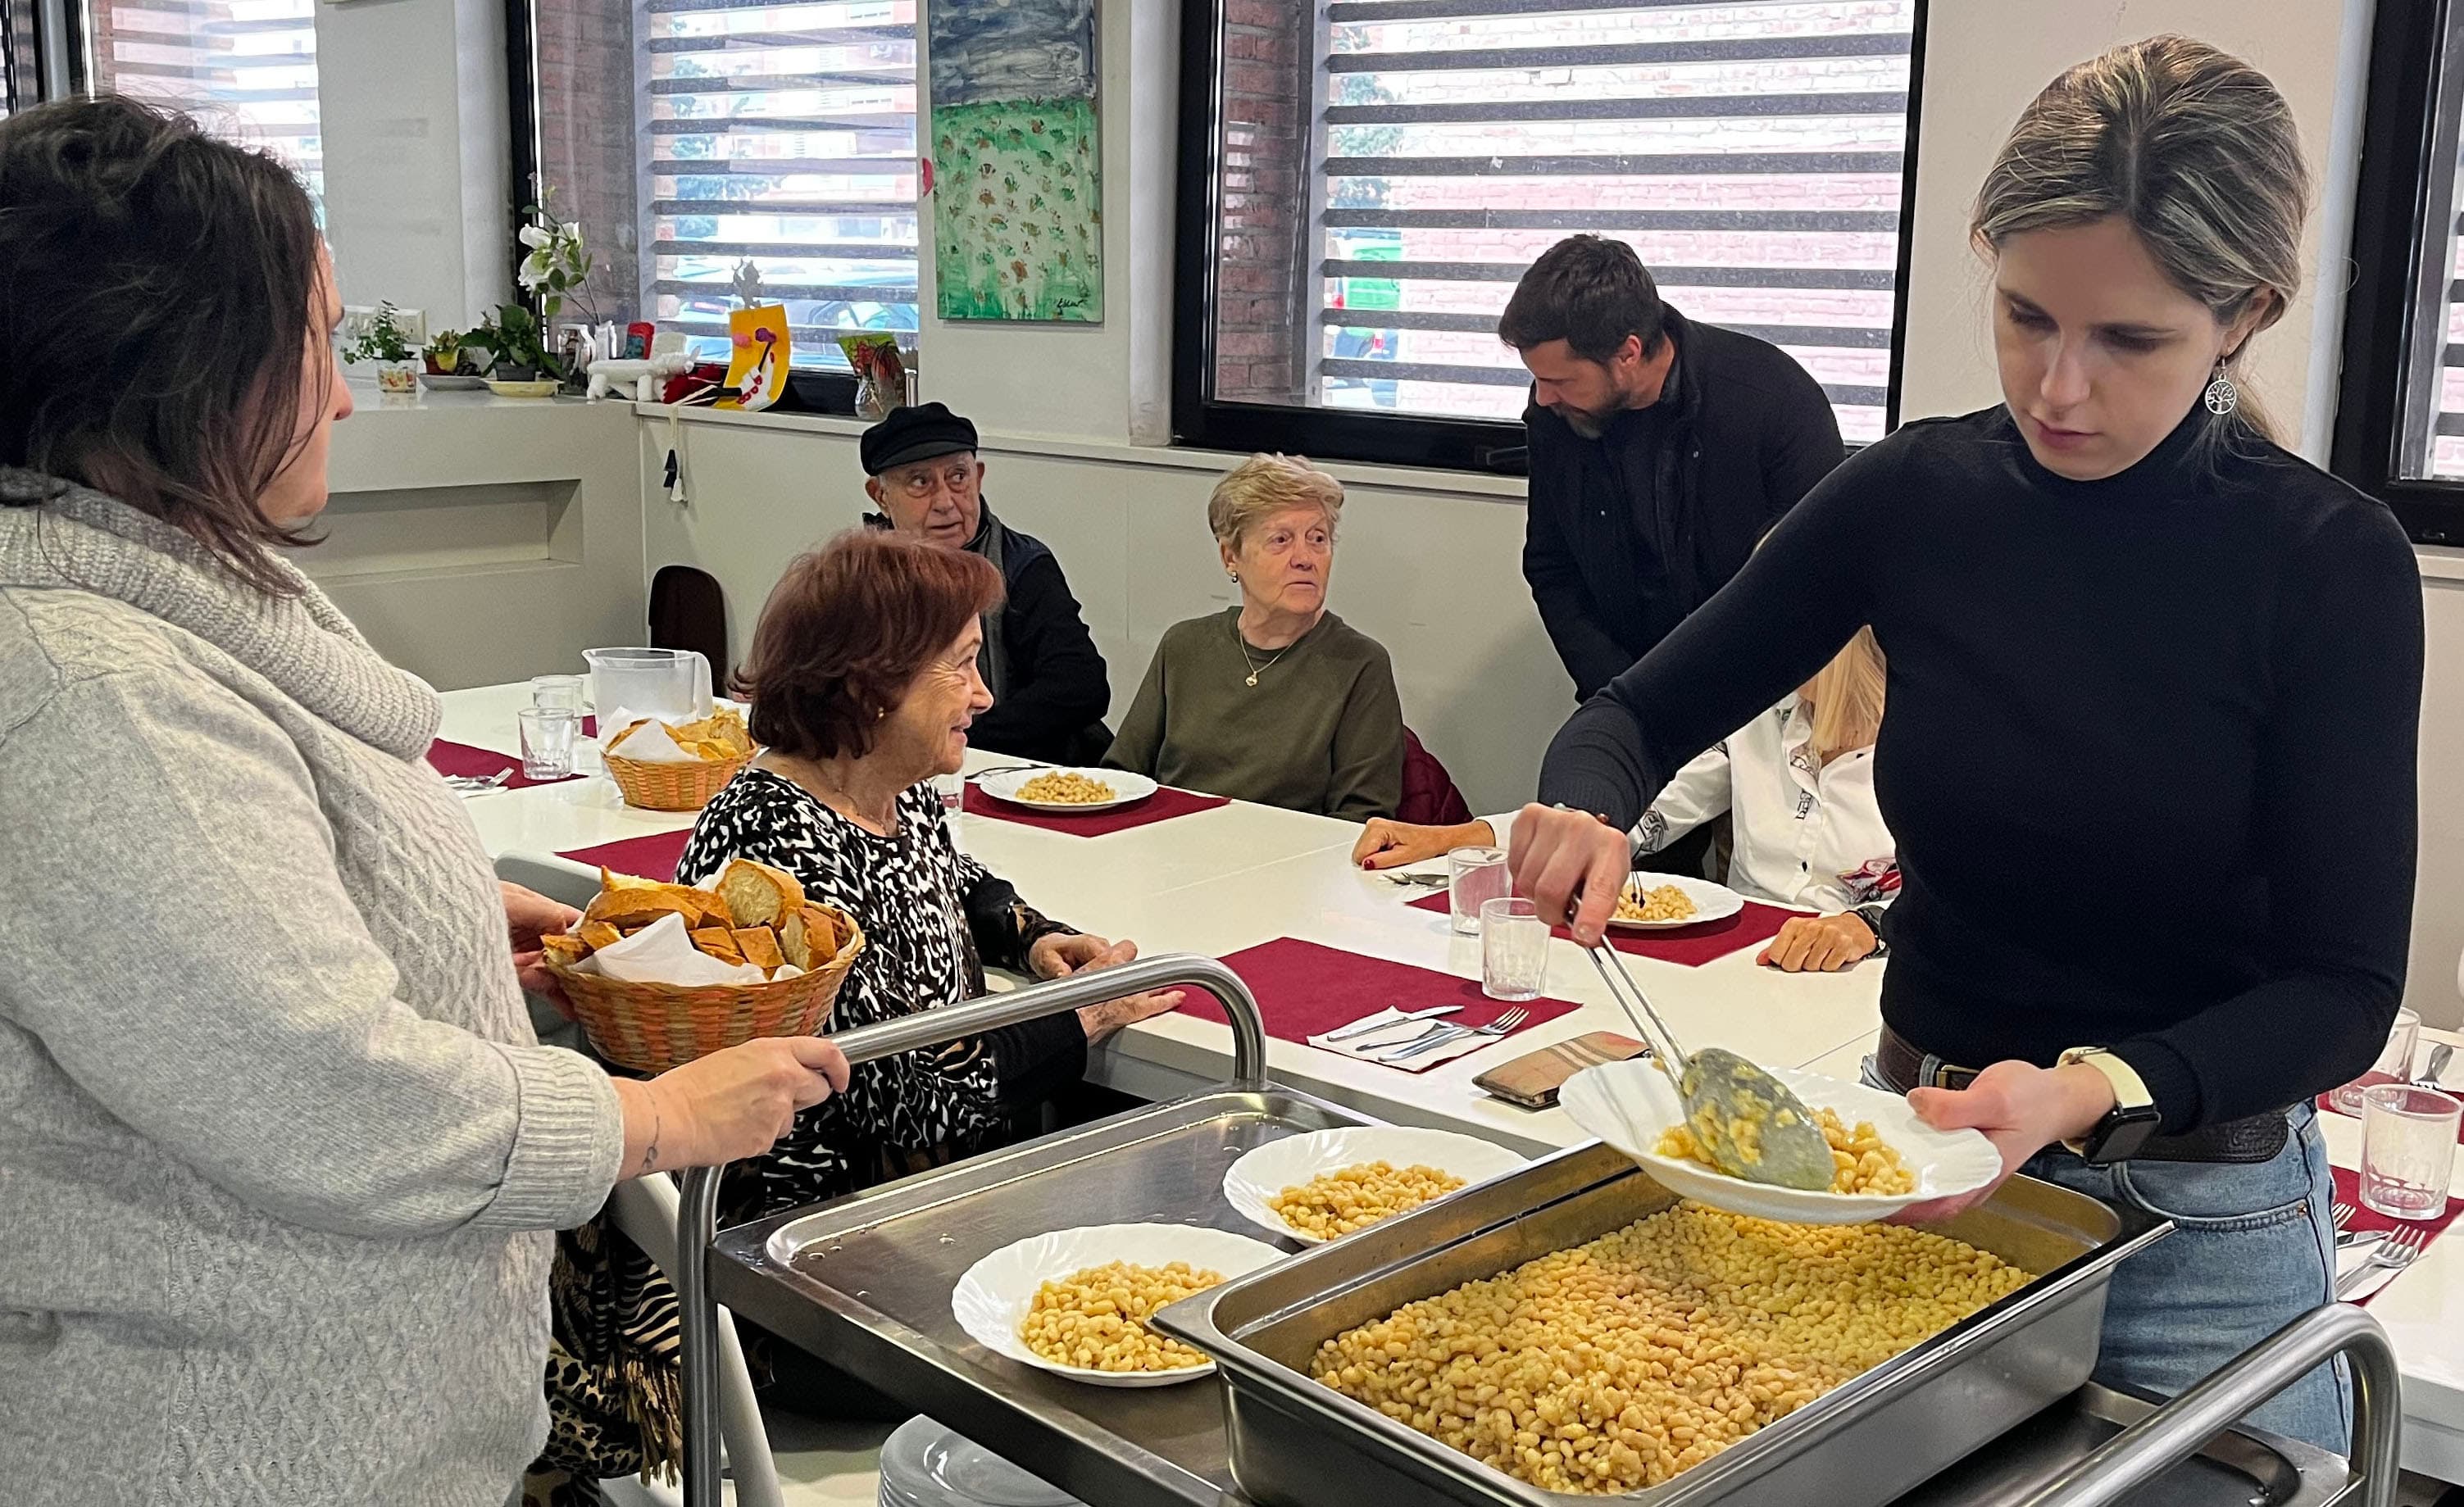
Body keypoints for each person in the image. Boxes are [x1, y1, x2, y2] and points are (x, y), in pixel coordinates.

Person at [1504, 37, 2420, 1453]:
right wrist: (1584, 804)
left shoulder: (2325, 561)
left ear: (2242, 315)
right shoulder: (1916, 496)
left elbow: (2341, 990)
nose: (2057, 387)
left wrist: (2090, 1086)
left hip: (2199, 1224)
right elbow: (1632, 714)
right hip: (1920, 1172)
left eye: (2128, 340)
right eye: (2022, 315)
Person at [0, 97, 848, 1507]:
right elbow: (314, 1086)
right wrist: (655, 1122)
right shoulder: (86, 687)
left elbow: (213, 951)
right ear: (186, 368)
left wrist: (445, 925)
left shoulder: (154, 600)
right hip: (223, 1446)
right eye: (317, 342)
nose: (340, 393)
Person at [539, 529, 1180, 1493]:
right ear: (874, 684)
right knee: (1116, 1329)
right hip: (798, 1262)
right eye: (962, 666)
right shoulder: (770, 831)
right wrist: (1080, 1021)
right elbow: (902, 1096)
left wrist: (1030, 934)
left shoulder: (890, 789)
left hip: (917, 1208)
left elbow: (955, 878)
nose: (986, 694)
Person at [1354, 629, 1894, 972]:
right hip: (1745, 966)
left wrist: (1868, 926)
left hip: (1868, 983)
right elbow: (1629, 818)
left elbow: (1962, 901)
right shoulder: (1756, 719)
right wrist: (1454, 837)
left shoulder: (1936, 746)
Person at [1504, 234, 1845, 706]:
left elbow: (1819, 583)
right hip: (1626, 697)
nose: (1543, 397)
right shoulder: (1559, 414)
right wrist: (1620, 698)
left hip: (1764, 705)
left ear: (1628, 352)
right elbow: (1551, 565)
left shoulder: (1773, 401)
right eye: (1537, 379)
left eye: (1559, 379)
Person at [1106, 454, 1405, 819]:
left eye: (1318, 539)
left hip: (1289, 866)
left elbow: (1362, 820)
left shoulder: (1359, 664)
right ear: (1230, 556)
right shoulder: (1184, 646)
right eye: (1281, 540)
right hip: (1168, 852)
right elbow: (1121, 778)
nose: (1305, 558)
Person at [861, 402, 1112, 764]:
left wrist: (960, 739)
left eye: (958, 477)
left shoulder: (1022, 565)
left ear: (978, 477)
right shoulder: (857, 579)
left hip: (1013, 764)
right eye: (921, 482)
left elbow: (1080, 686)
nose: (946, 501)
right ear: (880, 496)